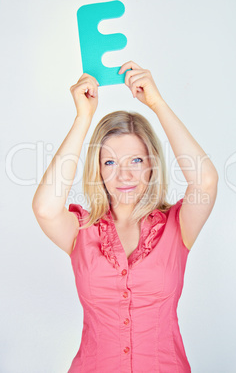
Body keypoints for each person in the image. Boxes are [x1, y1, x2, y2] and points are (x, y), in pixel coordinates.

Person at [32, 60, 218, 372]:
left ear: (151, 164)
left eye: (135, 160)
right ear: (98, 169)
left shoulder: (178, 225)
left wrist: (156, 103)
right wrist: (83, 118)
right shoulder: (82, 229)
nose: (124, 174)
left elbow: (206, 180)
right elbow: (45, 208)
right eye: (110, 163)